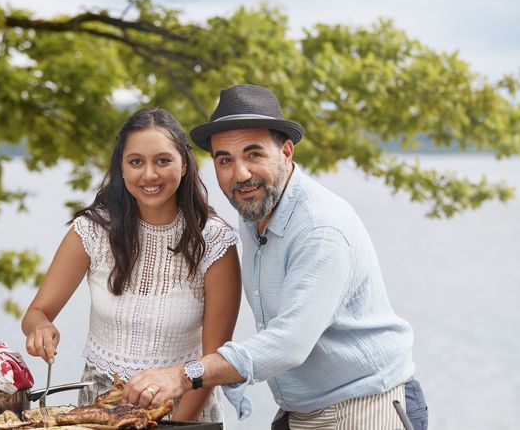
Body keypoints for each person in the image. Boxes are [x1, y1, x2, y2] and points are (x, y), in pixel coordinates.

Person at [122, 85, 429, 430]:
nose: (240, 174)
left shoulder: (320, 228)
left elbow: (289, 344)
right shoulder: (256, 205)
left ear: (285, 152)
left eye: (254, 154)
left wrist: (187, 374)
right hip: (300, 411)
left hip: (366, 407)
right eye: (225, 160)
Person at [21, 108, 242, 423]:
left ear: (184, 164)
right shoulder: (92, 230)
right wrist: (41, 329)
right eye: (136, 162)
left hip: (185, 406)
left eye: (163, 160)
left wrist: (175, 425)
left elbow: (213, 360)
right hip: (100, 409)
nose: (149, 174)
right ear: (121, 168)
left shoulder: (215, 242)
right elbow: (36, 313)